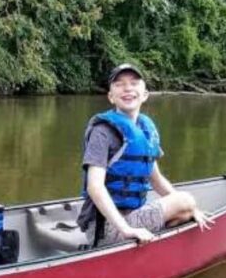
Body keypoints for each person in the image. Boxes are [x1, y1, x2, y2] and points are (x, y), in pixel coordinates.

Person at [77, 63, 213, 246]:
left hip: (133, 216)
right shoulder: (102, 132)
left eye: (134, 83)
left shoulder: (145, 130)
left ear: (145, 95)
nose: (127, 89)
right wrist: (126, 229)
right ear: (110, 96)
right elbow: (95, 187)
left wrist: (192, 210)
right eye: (119, 84)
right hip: (106, 229)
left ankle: (156, 241)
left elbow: (156, 180)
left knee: (186, 206)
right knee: (186, 200)